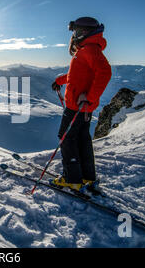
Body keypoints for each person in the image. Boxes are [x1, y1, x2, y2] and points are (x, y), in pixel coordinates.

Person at [51, 17, 111, 191]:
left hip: (77, 107)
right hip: (83, 107)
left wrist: (90, 97)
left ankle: (72, 179)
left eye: (76, 32)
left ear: (85, 32)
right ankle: (87, 177)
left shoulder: (89, 50)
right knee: (82, 140)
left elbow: (105, 73)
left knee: (66, 137)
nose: (74, 36)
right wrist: (60, 80)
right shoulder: (88, 49)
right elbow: (77, 75)